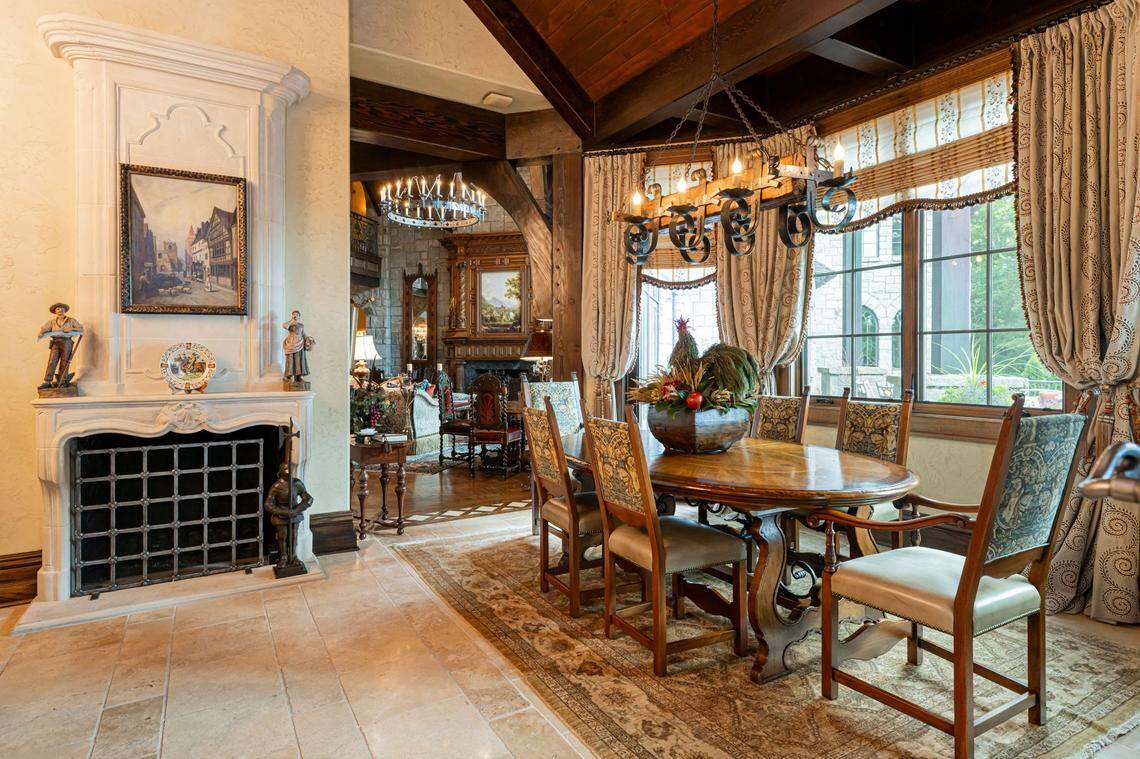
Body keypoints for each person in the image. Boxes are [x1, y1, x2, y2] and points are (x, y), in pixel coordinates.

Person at [263, 461, 313, 574]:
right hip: (281, 515)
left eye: (289, 468)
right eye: (285, 469)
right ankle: (284, 557)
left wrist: (296, 510)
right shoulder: (277, 486)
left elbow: (308, 499)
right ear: (281, 471)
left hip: (294, 514)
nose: (288, 471)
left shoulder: (297, 483)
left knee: (293, 536)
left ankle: (294, 556)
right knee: (282, 537)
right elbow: (268, 504)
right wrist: (282, 511)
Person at [37, 302, 84, 389]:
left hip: (67, 342)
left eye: (62, 308)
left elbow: (81, 328)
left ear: (65, 310)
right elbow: (44, 329)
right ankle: (47, 381)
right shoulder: (52, 322)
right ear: (55, 311)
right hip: (55, 342)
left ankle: (62, 381)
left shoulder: (71, 320)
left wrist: (72, 328)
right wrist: (41, 333)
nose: (60, 310)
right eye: (58, 309)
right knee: (52, 361)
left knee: (65, 362)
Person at [282, 310, 312, 384]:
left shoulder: (301, 325)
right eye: (294, 314)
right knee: (290, 359)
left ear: (299, 316)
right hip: (291, 343)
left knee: (299, 360)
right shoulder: (290, 324)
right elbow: (285, 326)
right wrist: (292, 320)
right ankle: (288, 376)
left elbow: (304, 334)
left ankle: (298, 377)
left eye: (297, 314)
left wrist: (308, 339)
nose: (295, 316)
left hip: (300, 343)